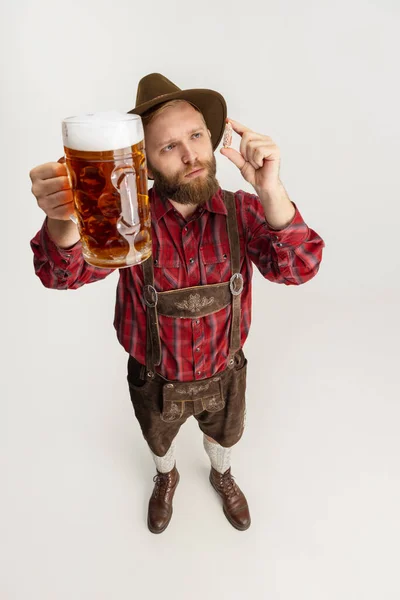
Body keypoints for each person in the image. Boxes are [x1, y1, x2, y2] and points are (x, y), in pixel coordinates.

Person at [29, 73, 325, 534]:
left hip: (224, 370)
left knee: (224, 436)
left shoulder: (245, 212)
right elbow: (59, 275)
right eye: (169, 147)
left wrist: (271, 188)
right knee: (158, 439)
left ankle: (221, 473)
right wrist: (62, 221)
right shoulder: (124, 222)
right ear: (142, 162)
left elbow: (300, 267)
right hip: (153, 376)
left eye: (196, 136)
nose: (190, 155)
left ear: (211, 138)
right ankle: (165, 476)